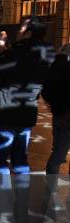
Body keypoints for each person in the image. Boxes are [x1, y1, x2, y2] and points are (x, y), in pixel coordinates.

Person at [0, 17, 55, 175]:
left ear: (28, 33)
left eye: (21, 28)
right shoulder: (48, 53)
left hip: (6, 114)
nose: (18, 31)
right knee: (20, 161)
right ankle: (22, 197)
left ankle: (5, 198)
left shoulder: (19, 52)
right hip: (27, 114)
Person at [42, 44, 70, 175]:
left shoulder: (52, 66)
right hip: (67, 114)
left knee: (57, 153)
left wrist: (54, 105)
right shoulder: (67, 67)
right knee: (59, 153)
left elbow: (45, 91)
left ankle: (50, 188)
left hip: (58, 114)